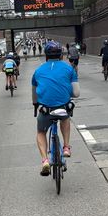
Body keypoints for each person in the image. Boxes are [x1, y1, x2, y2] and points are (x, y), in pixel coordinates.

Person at [32, 40, 79, 176]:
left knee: (41, 132)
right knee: (65, 118)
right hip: (62, 108)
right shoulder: (69, 69)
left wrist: (36, 105)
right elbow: (76, 93)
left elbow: (34, 97)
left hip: (45, 110)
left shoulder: (38, 71)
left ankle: (45, 160)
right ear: (61, 55)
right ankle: (66, 147)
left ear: (46, 55)